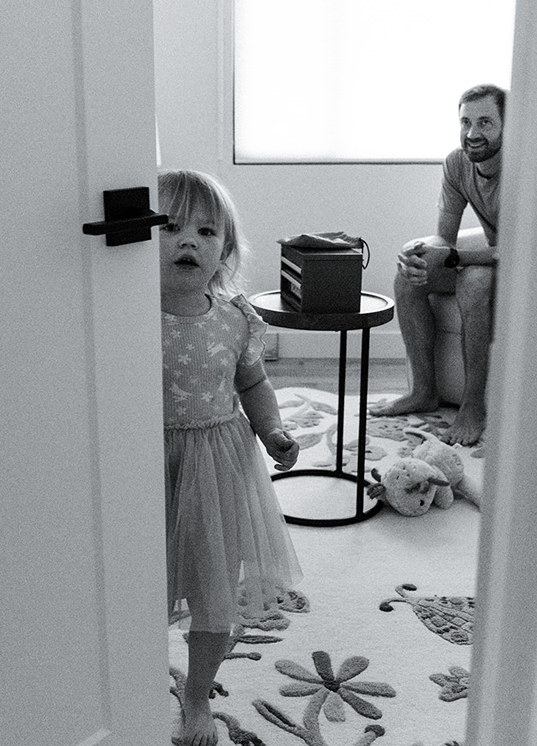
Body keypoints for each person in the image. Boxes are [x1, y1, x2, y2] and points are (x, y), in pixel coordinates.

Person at [158, 169, 303, 746]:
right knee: (134, 580)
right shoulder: (121, 317)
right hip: (142, 465)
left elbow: (254, 383)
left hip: (215, 468)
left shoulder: (235, 318)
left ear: (226, 250)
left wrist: (272, 430)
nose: (187, 241)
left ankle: (197, 695)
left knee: (213, 593)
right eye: (170, 227)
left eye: (205, 231)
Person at [368, 84, 505, 447]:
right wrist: (420, 255)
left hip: (527, 271)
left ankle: (473, 406)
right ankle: (424, 391)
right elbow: (445, 238)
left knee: (474, 281)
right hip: (491, 259)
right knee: (408, 277)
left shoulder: (522, 169)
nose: (472, 133)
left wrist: (457, 258)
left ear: (507, 127)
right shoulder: (457, 164)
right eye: (466, 122)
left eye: (485, 122)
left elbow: (519, 250)